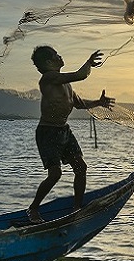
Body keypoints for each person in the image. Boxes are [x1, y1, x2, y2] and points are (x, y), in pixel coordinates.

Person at [26, 45, 115, 223]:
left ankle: (77, 207)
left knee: (81, 168)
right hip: (48, 132)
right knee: (55, 174)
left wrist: (98, 102)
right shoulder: (49, 78)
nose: (60, 56)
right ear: (49, 62)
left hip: (63, 130)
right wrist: (89, 63)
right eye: (57, 55)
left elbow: (79, 104)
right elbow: (80, 75)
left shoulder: (65, 83)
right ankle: (33, 208)